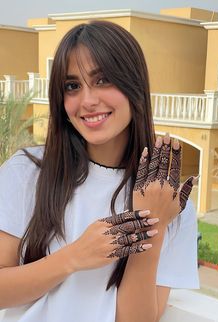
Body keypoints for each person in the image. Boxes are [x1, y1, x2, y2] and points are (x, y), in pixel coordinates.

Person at [0, 20, 199, 322]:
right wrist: (75, 256)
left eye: (103, 80)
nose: (88, 101)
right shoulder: (28, 171)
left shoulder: (170, 204)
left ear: (135, 86)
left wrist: (153, 224)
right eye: (72, 86)